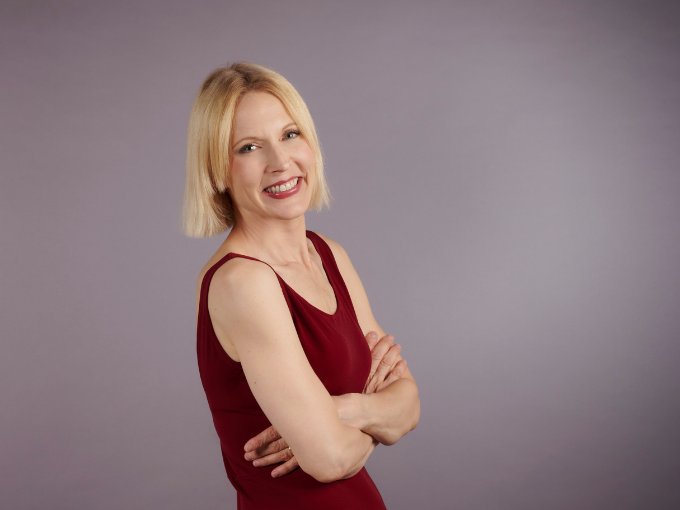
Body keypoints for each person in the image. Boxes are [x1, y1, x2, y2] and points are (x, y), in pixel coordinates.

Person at [183, 62, 420, 509]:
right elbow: (330, 459)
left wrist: (345, 410)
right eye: (249, 147)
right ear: (217, 172)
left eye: (290, 135)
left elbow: (409, 404)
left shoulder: (329, 255)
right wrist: (374, 415)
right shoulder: (242, 282)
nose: (280, 162)